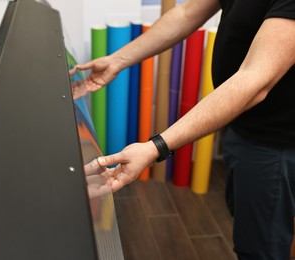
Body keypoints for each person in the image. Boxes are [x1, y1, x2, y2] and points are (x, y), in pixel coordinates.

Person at [74, 0, 295, 259]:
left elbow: (256, 79)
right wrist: (117, 60)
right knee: (248, 222)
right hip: (243, 127)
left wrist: (155, 146)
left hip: (274, 141)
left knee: (261, 247)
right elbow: (187, 12)